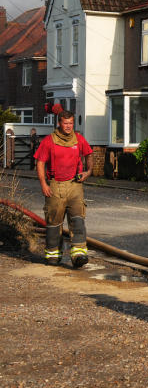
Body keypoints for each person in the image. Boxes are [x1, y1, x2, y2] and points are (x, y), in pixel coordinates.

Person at [34, 109, 93, 268]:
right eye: (65, 123)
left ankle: (79, 255)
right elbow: (40, 163)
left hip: (75, 186)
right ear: (59, 123)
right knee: (54, 223)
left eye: (71, 123)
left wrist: (88, 171)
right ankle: (53, 255)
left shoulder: (79, 139)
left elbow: (89, 154)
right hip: (55, 186)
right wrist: (43, 184)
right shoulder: (49, 141)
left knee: (78, 220)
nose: (68, 126)